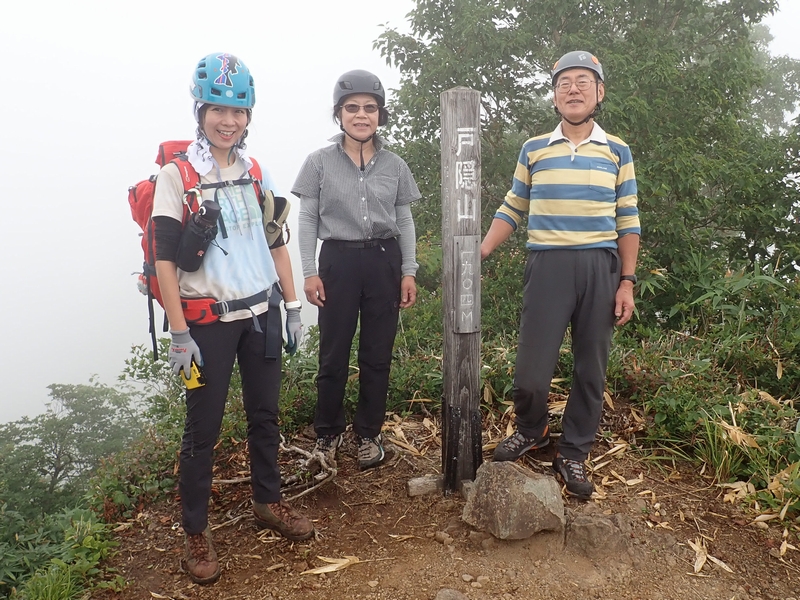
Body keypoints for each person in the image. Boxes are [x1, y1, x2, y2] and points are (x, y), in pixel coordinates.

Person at [152, 52, 312, 584]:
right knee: (203, 430)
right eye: (218, 109)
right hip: (206, 324)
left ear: (248, 116)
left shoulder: (255, 172)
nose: (228, 121)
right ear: (200, 111)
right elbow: (164, 259)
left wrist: (293, 306)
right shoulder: (177, 176)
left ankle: (268, 499)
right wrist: (179, 333)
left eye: (238, 111)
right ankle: (196, 532)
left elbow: (276, 242)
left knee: (266, 416)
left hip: (262, 313)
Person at [481, 51, 641, 499]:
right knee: (531, 373)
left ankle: (573, 452)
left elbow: (628, 218)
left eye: (583, 82)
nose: (573, 89)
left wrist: (626, 282)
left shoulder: (617, 151)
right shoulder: (534, 149)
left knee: (591, 369)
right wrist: (482, 249)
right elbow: (514, 205)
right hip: (547, 264)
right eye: (564, 83)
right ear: (554, 96)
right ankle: (532, 429)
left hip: (601, 267)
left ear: (599, 92)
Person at [292, 69, 421, 471]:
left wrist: (409, 270)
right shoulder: (318, 162)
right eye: (352, 108)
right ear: (339, 114)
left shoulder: (395, 165)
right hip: (338, 260)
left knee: (377, 354)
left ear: (380, 114)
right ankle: (328, 432)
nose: (361, 115)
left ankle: (369, 433)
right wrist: (309, 271)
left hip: (384, 259)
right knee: (333, 353)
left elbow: (404, 220)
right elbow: (307, 218)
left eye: (369, 108)